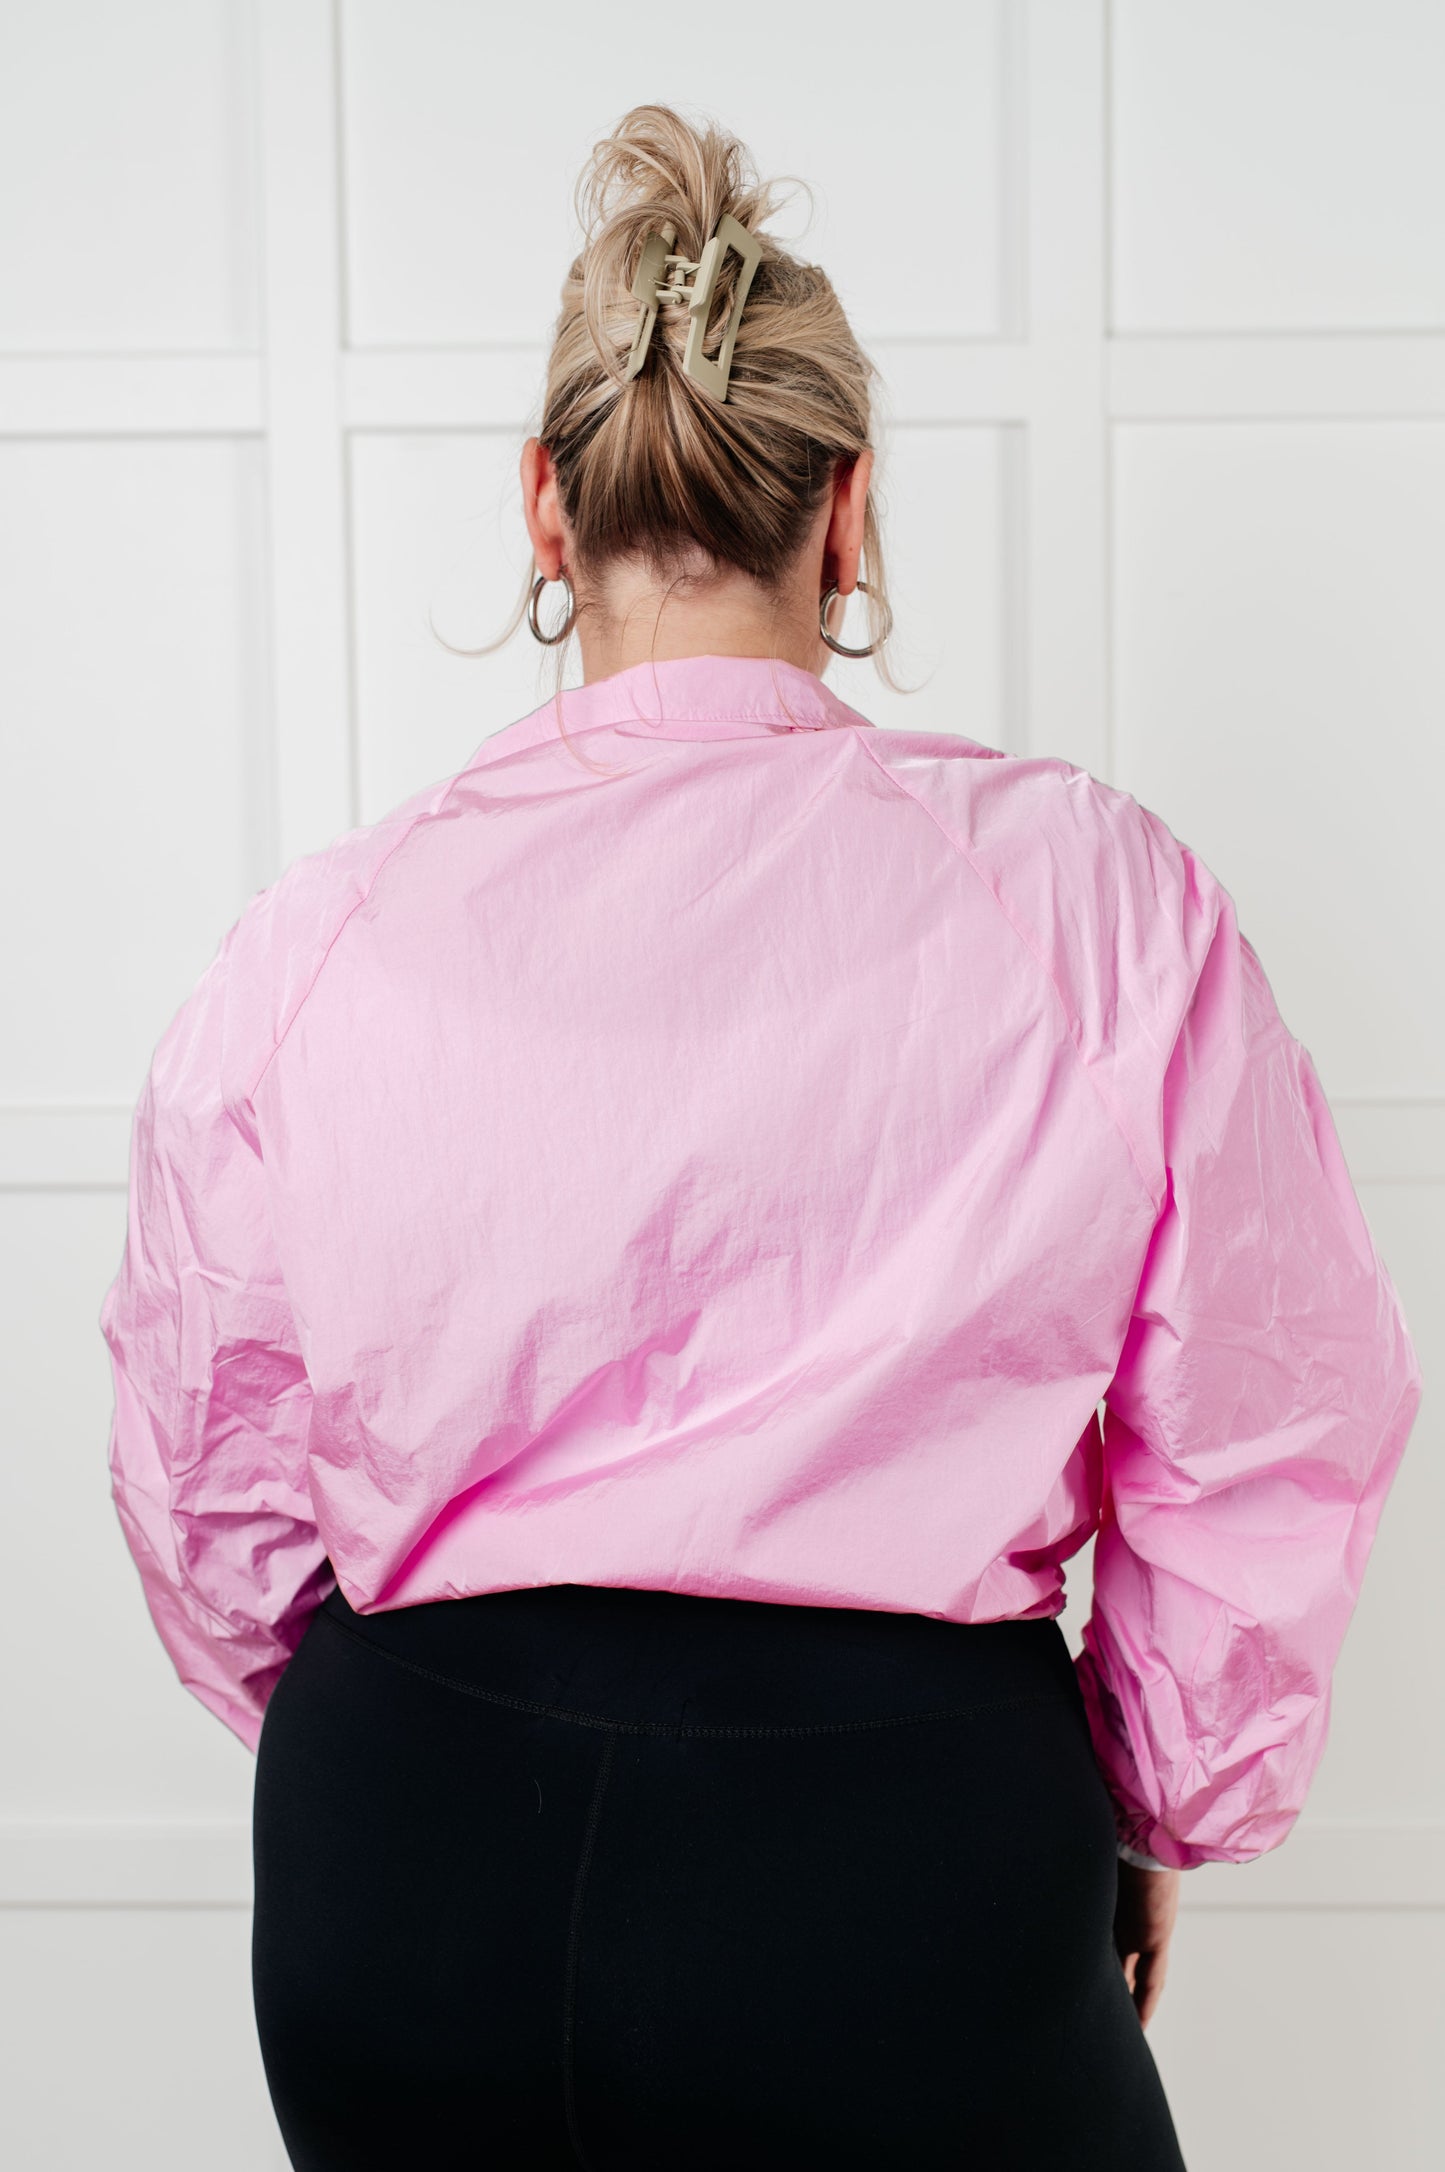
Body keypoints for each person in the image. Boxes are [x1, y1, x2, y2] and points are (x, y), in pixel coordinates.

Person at [98, 105, 1422, 2172]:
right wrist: (1156, 1800)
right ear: (855, 514)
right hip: (898, 1865)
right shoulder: (1094, 899)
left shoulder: (313, 941)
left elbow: (216, 1487)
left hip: (408, 1863)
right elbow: (1261, 1419)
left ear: (547, 510)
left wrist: (434, 1765)